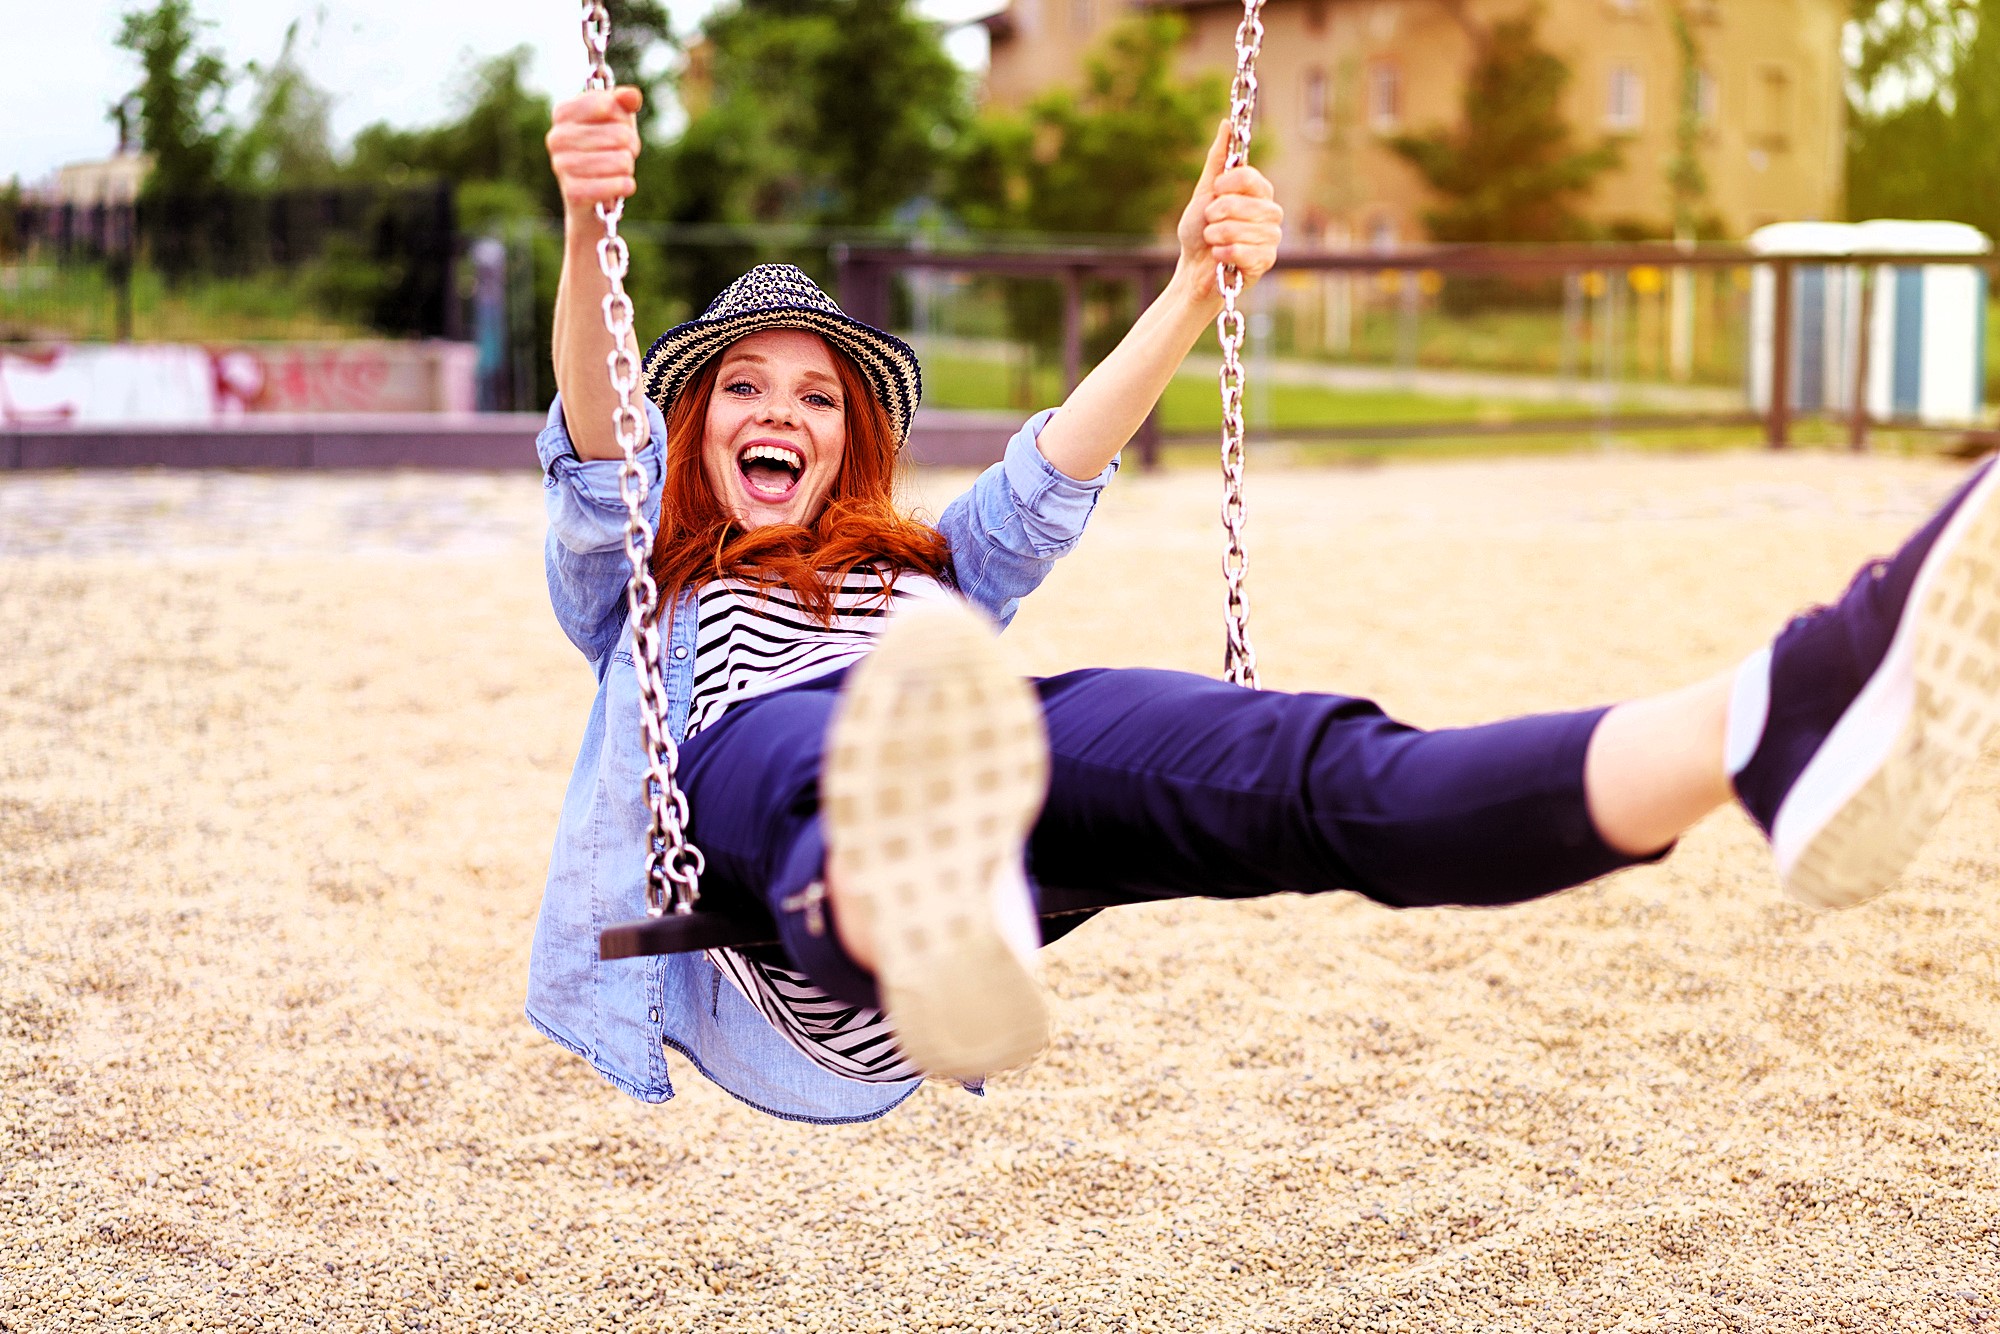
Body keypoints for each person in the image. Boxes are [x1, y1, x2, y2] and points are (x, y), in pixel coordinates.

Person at [527, 87, 2000, 1125]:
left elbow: (1052, 469)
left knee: (1319, 772)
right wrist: (594, 225)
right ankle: (901, 885)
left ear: (853, 434)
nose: (781, 413)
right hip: (769, 825)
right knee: (825, 749)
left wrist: (1187, 289)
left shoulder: (918, 570)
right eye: (743, 386)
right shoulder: (650, 587)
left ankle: (1774, 716)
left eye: (816, 394)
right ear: (697, 420)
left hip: (982, 769)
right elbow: (598, 443)